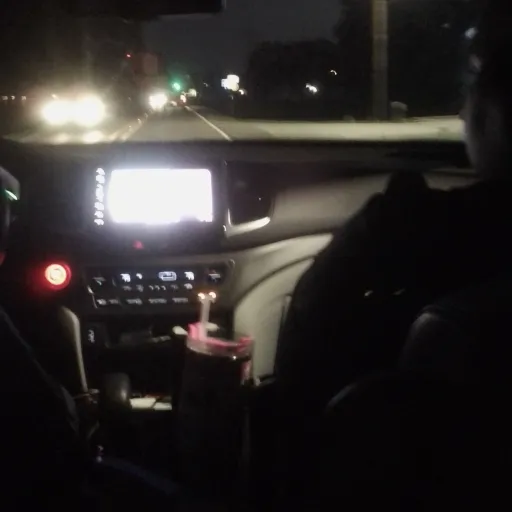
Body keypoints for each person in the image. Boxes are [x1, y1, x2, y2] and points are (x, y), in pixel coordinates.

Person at [274, 0, 512, 500]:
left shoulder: (410, 226)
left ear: (496, 112)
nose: (462, 111)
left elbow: (307, 338)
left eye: (471, 90)